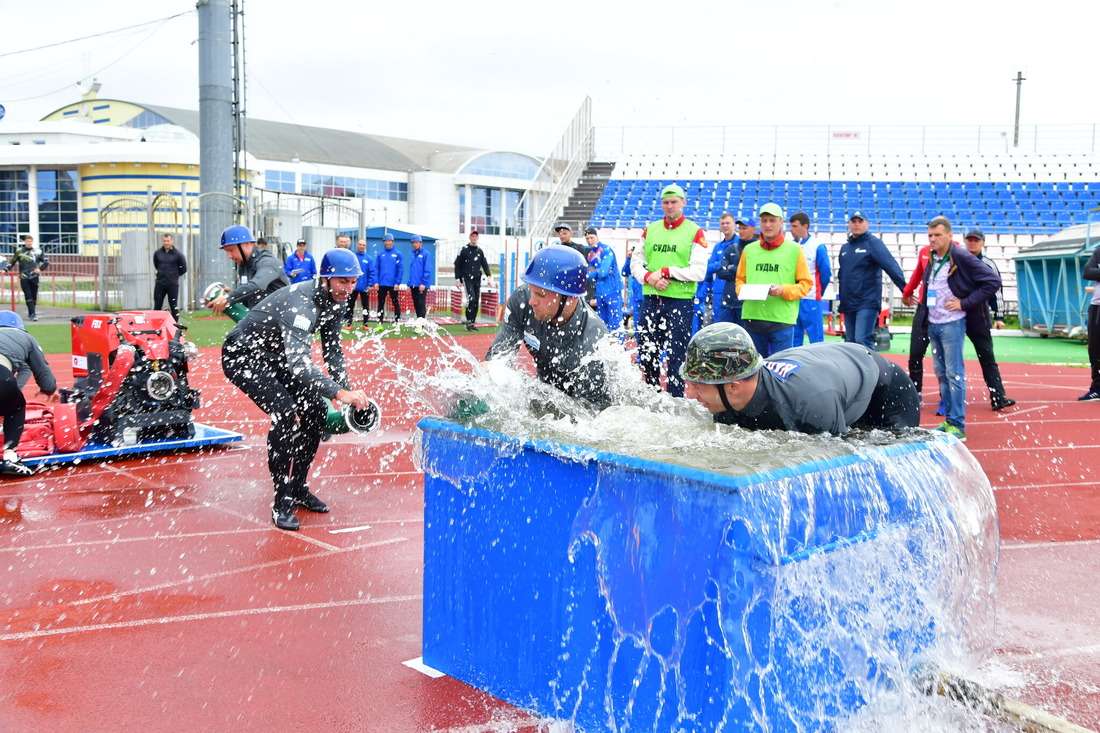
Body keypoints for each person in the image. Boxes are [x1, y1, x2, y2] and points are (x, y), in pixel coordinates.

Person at [221, 248, 373, 530]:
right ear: (325, 279)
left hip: (275, 358)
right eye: (343, 281)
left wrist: (348, 394)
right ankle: (281, 500)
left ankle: (298, 487)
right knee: (284, 412)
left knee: (315, 410)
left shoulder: (337, 301)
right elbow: (300, 366)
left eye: (353, 282)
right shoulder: (302, 303)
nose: (349, 288)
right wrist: (339, 394)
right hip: (242, 355)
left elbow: (333, 353)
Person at [681, 322, 919, 435]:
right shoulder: (724, 400)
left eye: (698, 386)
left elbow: (836, 470)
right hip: (830, 375)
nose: (689, 395)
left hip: (885, 391)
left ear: (733, 386)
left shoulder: (808, 404)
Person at [485, 245, 610, 410]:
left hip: (581, 405)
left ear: (570, 298)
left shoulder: (592, 338)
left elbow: (592, 413)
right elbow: (499, 357)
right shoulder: (522, 300)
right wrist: (490, 371)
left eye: (541, 295)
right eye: (532, 290)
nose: (532, 301)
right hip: (544, 390)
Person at [906, 230, 1016, 411]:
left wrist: (999, 315)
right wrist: (909, 293)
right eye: (969, 241)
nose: (972, 244)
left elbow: (995, 288)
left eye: (976, 241)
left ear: (983, 243)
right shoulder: (954, 259)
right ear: (964, 242)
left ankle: (997, 395)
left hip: (976, 316)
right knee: (941, 359)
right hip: (949, 315)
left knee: (986, 355)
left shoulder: (985, 263)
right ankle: (939, 398)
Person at [920, 217, 1001, 442]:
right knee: (941, 374)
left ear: (949, 236)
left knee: (954, 373)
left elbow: (992, 281)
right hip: (934, 323)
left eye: (937, 235)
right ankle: (949, 421)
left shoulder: (962, 255)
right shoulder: (932, 256)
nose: (933, 239)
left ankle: (958, 424)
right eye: (930, 236)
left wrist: (964, 303)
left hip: (952, 324)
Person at [630, 184, 710, 397]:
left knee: (676, 357)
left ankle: (676, 398)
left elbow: (699, 271)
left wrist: (667, 272)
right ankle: (652, 396)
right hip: (651, 300)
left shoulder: (694, 231)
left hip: (679, 302)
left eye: (674, 202)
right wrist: (649, 278)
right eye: (666, 202)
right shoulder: (651, 229)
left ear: (683, 203)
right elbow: (635, 264)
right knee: (647, 353)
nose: (670, 206)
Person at [734, 203, 812, 357]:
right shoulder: (749, 250)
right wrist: (742, 291)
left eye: (772, 220)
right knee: (754, 373)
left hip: (781, 320)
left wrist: (783, 290)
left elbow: (805, 284)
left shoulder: (794, 250)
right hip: (752, 317)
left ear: (781, 223)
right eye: (764, 220)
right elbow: (740, 280)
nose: (768, 225)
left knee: (781, 370)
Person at [0, 311, 58, 477]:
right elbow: (45, 377)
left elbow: (23, 369)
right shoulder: (26, 338)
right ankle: (10, 457)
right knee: (17, 407)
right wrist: (48, 390)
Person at [837, 212, 906, 349]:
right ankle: (854, 371)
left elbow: (890, 266)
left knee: (862, 340)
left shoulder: (874, 243)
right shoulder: (845, 248)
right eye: (853, 221)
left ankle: (874, 370)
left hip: (867, 302)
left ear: (867, 224)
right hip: (849, 303)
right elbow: (842, 275)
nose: (856, 224)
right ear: (849, 224)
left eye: (860, 221)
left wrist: (905, 290)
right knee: (850, 343)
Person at [207, 225, 290, 317]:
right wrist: (233, 294)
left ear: (247, 244)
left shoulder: (268, 262)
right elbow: (252, 297)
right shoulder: (245, 265)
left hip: (283, 320)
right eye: (227, 252)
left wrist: (228, 298)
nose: (229, 256)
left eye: (231, 250)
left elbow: (258, 285)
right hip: (265, 319)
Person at [789, 212, 832, 345]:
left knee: (816, 339)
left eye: (795, 226)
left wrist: (819, 292)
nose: (791, 229)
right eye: (790, 226)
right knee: (794, 338)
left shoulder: (817, 246)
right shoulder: (789, 246)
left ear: (805, 226)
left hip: (811, 298)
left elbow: (825, 273)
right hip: (793, 299)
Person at [715, 215, 756, 327]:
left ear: (753, 229)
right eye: (740, 228)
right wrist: (741, 272)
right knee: (722, 336)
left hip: (746, 303)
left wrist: (732, 268)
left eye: (744, 228)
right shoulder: (731, 248)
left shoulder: (757, 249)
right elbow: (721, 272)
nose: (741, 231)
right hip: (727, 303)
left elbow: (753, 273)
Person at [701, 213, 736, 329]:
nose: (725, 226)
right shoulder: (718, 246)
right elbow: (708, 268)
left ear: (734, 224)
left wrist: (722, 265)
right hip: (718, 293)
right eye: (722, 223)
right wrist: (724, 265)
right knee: (720, 327)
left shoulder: (739, 244)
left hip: (735, 291)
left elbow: (740, 267)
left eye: (728, 223)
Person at [454, 230, 493, 331]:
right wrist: (458, 279)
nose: (474, 238)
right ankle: (468, 321)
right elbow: (457, 265)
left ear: (478, 238)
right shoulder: (464, 250)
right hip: (467, 279)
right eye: (472, 236)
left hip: (477, 279)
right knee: (471, 299)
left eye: (476, 236)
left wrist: (489, 277)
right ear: (470, 237)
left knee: (476, 301)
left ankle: (472, 322)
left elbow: (484, 264)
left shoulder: (479, 251)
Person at [585, 227, 622, 330]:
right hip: (600, 292)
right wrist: (598, 271)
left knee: (615, 322)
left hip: (613, 290)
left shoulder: (606, 250)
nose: (589, 240)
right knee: (603, 324)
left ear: (597, 237)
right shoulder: (590, 255)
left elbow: (602, 273)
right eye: (587, 238)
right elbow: (590, 276)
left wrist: (595, 271)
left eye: (591, 237)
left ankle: (619, 345)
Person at [5, 235, 49, 322]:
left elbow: (47, 261)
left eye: (30, 241)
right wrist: (5, 269)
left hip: (34, 277)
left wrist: (40, 269)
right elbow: (12, 262)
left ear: (32, 242)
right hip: (24, 277)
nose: (29, 243)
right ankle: (32, 313)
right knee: (28, 295)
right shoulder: (19, 251)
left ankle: (32, 312)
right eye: (27, 241)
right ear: (24, 242)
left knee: (33, 296)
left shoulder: (38, 251)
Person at [152, 233, 188, 323]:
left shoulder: (178, 255)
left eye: (168, 241)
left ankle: (174, 325)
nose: (166, 243)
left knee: (173, 306)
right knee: (157, 305)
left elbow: (183, 268)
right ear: (162, 241)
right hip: (160, 283)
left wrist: (174, 276)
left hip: (172, 284)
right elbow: (156, 264)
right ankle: (156, 323)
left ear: (172, 241)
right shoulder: (157, 253)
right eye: (164, 241)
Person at [1080, 243, 1100, 401]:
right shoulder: (1099, 251)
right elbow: (1087, 272)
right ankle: (1097, 387)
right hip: (1098, 307)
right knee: (1095, 349)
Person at [375, 233, 403, 323]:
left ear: (393, 242)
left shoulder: (398, 254)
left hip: (393, 283)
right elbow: (376, 268)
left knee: (395, 303)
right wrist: (376, 282)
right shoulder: (380, 254)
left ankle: (397, 322)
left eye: (389, 241)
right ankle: (380, 323)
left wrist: (397, 283)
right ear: (384, 242)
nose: (388, 243)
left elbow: (400, 269)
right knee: (380, 303)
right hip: (382, 283)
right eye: (386, 241)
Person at [348, 238, 376, 326]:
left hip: (364, 286)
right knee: (350, 305)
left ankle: (365, 323)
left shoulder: (369, 258)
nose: (361, 246)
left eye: (363, 245)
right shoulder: (352, 257)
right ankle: (349, 323)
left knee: (365, 305)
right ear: (357, 245)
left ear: (365, 246)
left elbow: (372, 272)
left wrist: (370, 284)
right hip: (353, 286)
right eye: (360, 244)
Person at [407, 234, 433, 319]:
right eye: (413, 243)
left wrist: (424, 282)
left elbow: (428, 269)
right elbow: (412, 270)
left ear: (420, 243)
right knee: (416, 304)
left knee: (421, 304)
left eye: (416, 243)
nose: (415, 244)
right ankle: (419, 322)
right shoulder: (413, 254)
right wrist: (409, 283)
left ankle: (421, 324)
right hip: (414, 284)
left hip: (421, 284)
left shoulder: (426, 254)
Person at [621, 242, 644, 330]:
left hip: (648, 296)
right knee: (637, 326)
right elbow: (624, 272)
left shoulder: (648, 260)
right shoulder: (634, 263)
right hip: (637, 297)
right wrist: (629, 258)